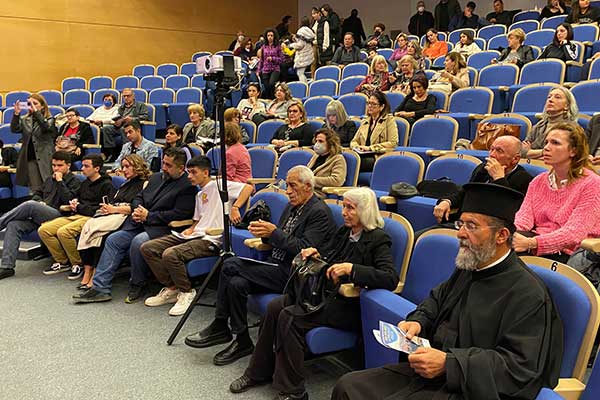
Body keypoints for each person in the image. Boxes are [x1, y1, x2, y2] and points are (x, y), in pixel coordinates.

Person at [332, 183, 563, 400]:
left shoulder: (529, 293)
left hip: (471, 388)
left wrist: (449, 364)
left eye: (471, 226)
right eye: (460, 224)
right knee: (348, 387)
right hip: (434, 374)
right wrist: (418, 321)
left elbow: (520, 367)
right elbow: (436, 300)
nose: (460, 233)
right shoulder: (470, 267)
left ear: (501, 236)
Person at [230, 187, 398, 400]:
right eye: (344, 206)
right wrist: (316, 254)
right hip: (323, 295)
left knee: (290, 317)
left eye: (350, 208)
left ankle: (294, 391)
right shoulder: (344, 232)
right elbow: (328, 257)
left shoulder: (378, 238)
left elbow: (390, 278)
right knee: (275, 307)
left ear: (364, 210)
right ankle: (258, 371)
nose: (344, 212)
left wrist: (352, 270)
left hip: (348, 306)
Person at [184, 166, 336, 366]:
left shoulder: (319, 212)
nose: (288, 191)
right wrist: (264, 233)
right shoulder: (292, 207)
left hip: (293, 274)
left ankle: (220, 324)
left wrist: (273, 233)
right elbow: (280, 238)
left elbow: (304, 249)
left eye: (293, 186)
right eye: (287, 186)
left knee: (230, 264)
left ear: (308, 186)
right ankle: (242, 340)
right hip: (275, 264)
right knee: (236, 284)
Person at [72, 148, 197, 304]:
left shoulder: (187, 186)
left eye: (168, 165)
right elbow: (139, 197)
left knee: (138, 242)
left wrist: (148, 216)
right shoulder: (156, 177)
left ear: (181, 168)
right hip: (139, 222)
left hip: (163, 227)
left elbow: (179, 214)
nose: (164, 167)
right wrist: (138, 210)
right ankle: (100, 288)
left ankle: (138, 283)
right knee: (114, 239)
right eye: (163, 163)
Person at [140, 155, 254, 316]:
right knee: (148, 248)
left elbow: (248, 188)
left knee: (170, 254)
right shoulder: (199, 195)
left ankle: (187, 292)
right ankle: (173, 287)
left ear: (206, 172)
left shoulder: (219, 185)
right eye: (188, 172)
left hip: (213, 239)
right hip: (195, 234)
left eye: (193, 172)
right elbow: (198, 220)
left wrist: (235, 207)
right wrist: (191, 228)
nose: (189, 176)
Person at [513, 122, 600, 264]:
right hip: (536, 242)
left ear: (573, 151)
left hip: (571, 252)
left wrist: (531, 243)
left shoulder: (592, 184)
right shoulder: (538, 181)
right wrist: (510, 235)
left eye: (555, 143)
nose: (546, 148)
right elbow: (523, 220)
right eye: (546, 142)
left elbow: (574, 234)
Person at [0, 152, 80, 280]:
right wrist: (40, 201)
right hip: (41, 214)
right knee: (13, 225)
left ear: (68, 165)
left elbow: (69, 200)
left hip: (60, 216)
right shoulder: (49, 179)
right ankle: (7, 267)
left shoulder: (75, 181)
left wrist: (60, 181)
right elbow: (37, 194)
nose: (56, 168)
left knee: (30, 205)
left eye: (60, 165)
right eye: (54, 165)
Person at [75, 154, 150, 290]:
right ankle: (87, 271)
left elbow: (136, 207)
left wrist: (114, 209)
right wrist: (108, 208)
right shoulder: (125, 183)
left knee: (102, 236)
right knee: (87, 231)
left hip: (127, 220)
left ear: (137, 166)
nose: (124, 170)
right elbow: (114, 202)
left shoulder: (144, 184)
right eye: (123, 167)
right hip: (113, 215)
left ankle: (95, 274)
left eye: (127, 166)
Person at [38, 154, 115, 279]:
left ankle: (78, 264)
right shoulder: (85, 183)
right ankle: (63, 261)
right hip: (77, 214)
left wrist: (78, 206)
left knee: (64, 232)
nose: (82, 169)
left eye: (86, 166)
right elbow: (75, 198)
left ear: (96, 168)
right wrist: (74, 203)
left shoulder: (107, 185)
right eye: (82, 165)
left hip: (92, 218)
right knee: (44, 230)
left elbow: (101, 209)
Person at [433, 136, 533, 226]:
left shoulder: (524, 179)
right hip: (464, 222)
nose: (492, 155)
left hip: (489, 229)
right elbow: (465, 193)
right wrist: (447, 202)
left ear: (515, 159)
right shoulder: (483, 168)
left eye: (499, 151)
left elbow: (508, 211)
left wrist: (499, 179)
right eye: (491, 149)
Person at [10, 93, 58, 191]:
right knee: (35, 188)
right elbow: (14, 129)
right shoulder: (25, 119)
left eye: (35, 103)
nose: (31, 106)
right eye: (29, 104)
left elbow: (46, 127)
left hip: (45, 157)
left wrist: (36, 112)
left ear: (42, 106)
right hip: (31, 157)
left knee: (48, 186)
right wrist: (16, 114)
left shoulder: (50, 119)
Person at [522, 86, 579, 158]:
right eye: (549, 97)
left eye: (557, 97)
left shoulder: (570, 127)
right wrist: (543, 152)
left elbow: (557, 154)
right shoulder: (539, 125)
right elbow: (523, 151)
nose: (550, 100)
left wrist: (532, 152)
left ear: (567, 106)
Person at [350, 91, 399, 172]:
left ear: (382, 107)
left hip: (378, 156)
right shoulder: (365, 121)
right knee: (346, 158)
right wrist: (357, 147)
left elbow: (393, 143)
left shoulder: (389, 120)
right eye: (368, 103)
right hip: (362, 155)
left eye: (373, 104)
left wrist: (370, 148)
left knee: (353, 162)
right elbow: (354, 141)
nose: (370, 106)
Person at [100, 88, 149, 162]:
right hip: (121, 125)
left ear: (133, 96)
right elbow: (119, 117)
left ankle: (127, 153)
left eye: (128, 96)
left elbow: (145, 117)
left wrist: (132, 119)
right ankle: (111, 153)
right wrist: (117, 122)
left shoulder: (141, 105)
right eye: (124, 96)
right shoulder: (121, 107)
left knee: (124, 129)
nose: (126, 98)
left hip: (134, 126)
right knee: (106, 129)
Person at [307, 128, 347, 198]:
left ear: (330, 143)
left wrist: (310, 180)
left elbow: (337, 181)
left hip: (318, 193)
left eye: (320, 141)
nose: (317, 144)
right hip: (306, 189)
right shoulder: (316, 156)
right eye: (316, 141)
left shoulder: (338, 159)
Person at [257, 29, 284, 99]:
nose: (270, 37)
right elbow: (261, 60)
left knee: (271, 84)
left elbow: (282, 59)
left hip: (275, 69)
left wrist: (273, 59)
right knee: (266, 87)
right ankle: (268, 99)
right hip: (265, 69)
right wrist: (258, 70)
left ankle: (274, 99)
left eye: (272, 35)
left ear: (274, 37)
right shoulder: (263, 47)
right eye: (268, 35)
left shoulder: (278, 46)